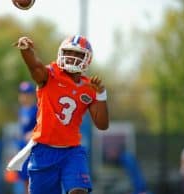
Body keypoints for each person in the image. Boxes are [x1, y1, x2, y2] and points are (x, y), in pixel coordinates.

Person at [7, 35, 109, 194]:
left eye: (77, 54)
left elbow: (102, 125)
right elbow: (35, 68)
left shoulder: (89, 87)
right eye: (69, 52)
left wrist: (102, 95)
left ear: (87, 58)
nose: (72, 57)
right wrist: (26, 51)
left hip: (72, 152)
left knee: (78, 191)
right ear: (61, 53)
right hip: (43, 151)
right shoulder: (50, 74)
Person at [15, 81, 38, 194]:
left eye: (27, 93)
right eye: (22, 93)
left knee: (32, 180)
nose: (24, 96)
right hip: (22, 148)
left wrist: (32, 134)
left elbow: (41, 128)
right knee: (24, 180)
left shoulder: (36, 110)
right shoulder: (21, 110)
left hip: (33, 150)